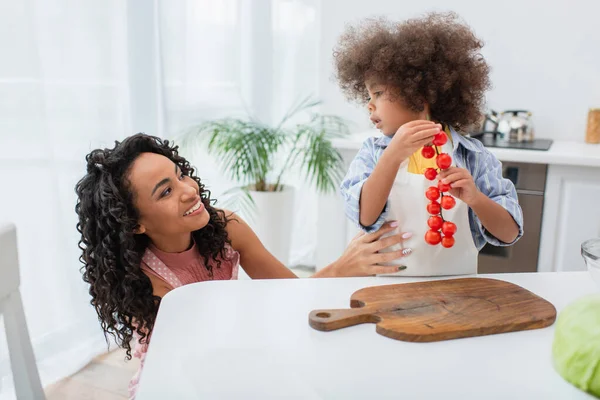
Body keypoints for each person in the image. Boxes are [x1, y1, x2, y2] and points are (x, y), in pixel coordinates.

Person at [75, 133, 411, 398]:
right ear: (135, 224)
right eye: (165, 192)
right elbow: (221, 345)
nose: (190, 191)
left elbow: (289, 291)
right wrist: (337, 269)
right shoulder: (149, 281)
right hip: (179, 380)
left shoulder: (226, 228)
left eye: (181, 176)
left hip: (234, 360)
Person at [334, 12, 523, 276]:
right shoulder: (373, 153)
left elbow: (509, 233)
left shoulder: (474, 157)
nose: (369, 104)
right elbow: (365, 216)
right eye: (367, 95)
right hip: (387, 291)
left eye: (377, 93)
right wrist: (392, 156)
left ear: (417, 94)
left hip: (457, 293)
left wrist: (477, 199)